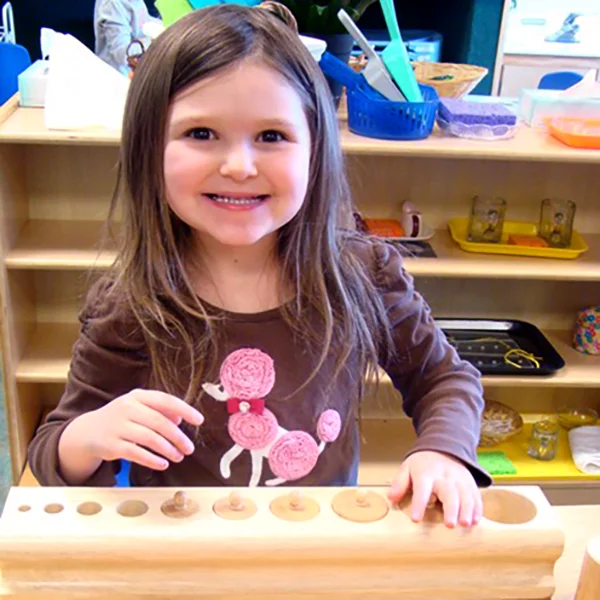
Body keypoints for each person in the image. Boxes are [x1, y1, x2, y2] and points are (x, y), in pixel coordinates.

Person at [27, 3, 491, 529]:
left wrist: (445, 452)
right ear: (147, 151)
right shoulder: (132, 301)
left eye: (272, 136)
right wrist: (87, 438)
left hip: (316, 546)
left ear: (315, 151)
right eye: (201, 133)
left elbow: (444, 378)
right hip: (186, 554)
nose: (239, 166)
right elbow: (51, 452)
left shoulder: (365, 273)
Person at [93, 0, 162, 75]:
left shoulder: (135, 2)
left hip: (136, 70)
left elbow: (145, 21)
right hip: (117, 76)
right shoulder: (112, 5)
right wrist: (151, 41)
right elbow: (123, 55)